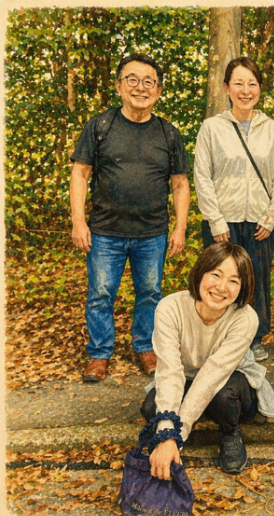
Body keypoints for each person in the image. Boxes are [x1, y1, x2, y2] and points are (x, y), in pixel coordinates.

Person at [70, 53, 191, 382]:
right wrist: (78, 221)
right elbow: (80, 173)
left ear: (158, 90)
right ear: (119, 86)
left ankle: (146, 347)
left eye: (149, 81)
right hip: (104, 231)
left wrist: (180, 228)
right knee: (100, 294)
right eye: (133, 80)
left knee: (150, 293)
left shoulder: (168, 133)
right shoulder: (101, 126)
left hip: (152, 233)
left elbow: (180, 184)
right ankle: (99, 353)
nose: (141, 87)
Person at [141, 242, 274, 478]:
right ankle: (195, 415)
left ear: (243, 286)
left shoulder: (246, 319)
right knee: (151, 408)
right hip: (187, 377)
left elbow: (212, 376)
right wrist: (166, 433)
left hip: (231, 381)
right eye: (216, 275)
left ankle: (230, 432)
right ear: (200, 272)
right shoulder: (170, 308)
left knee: (223, 398)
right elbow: (170, 371)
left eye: (233, 280)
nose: (221, 287)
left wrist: (175, 437)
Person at [194, 57, 274, 363]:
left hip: (260, 221)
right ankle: (217, 336)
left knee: (255, 280)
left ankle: (253, 338)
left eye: (252, 84)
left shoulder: (271, 129)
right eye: (238, 83)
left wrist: (272, 216)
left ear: (260, 88)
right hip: (223, 222)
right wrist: (215, 220)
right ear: (226, 88)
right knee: (219, 279)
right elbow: (202, 176)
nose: (245, 90)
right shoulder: (212, 128)